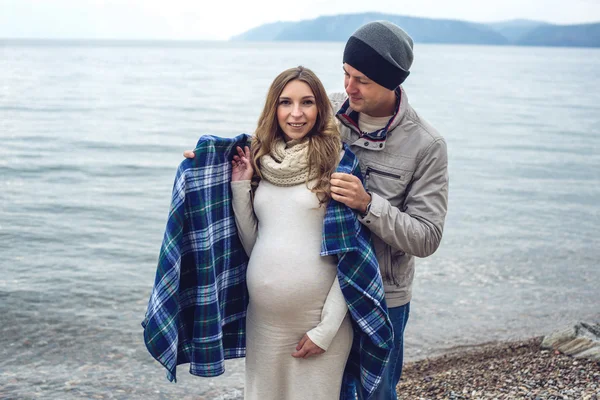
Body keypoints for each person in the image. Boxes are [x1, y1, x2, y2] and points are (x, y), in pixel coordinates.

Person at [183, 21, 449, 399]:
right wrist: (208, 160)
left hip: (382, 293)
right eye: (346, 74)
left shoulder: (426, 145)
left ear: (391, 83)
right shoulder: (332, 111)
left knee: (375, 393)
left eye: (362, 80)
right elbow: (275, 141)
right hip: (282, 313)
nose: (349, 88)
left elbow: (427, 236)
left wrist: (368, 204)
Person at [230, 66, 353, 400]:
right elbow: (256, 242)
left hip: (315, 321)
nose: (296, 114)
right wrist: (240, 185)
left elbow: (353, 256)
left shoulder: (338, 162)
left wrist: (326, 330)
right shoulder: (264, 160)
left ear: (320, 109)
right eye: (286, 103)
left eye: (307, 102)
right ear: (274, 108)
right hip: (263, 322)